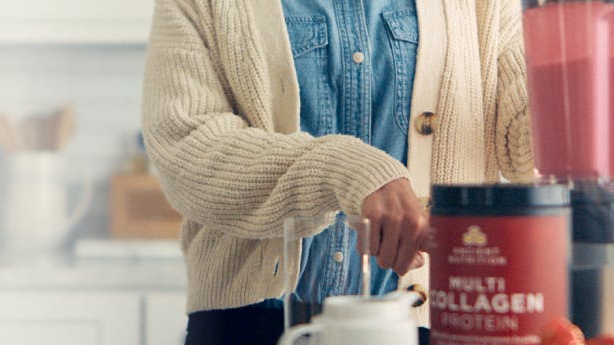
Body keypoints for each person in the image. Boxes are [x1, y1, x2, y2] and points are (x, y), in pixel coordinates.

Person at [140, 0, 535, 343]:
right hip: (252, 324)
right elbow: (186, 144)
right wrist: (344, 170)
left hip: (434, 323)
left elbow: (528, 151)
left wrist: (580, 82)